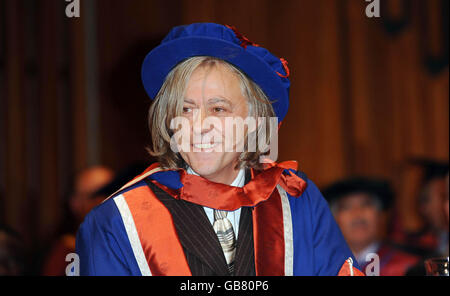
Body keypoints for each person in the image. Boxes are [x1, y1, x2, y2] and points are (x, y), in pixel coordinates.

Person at [76, 22, 363, 276]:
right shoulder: (117, 221)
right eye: (185, 109)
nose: (199, 126)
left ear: (254, 121)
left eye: (218, 108)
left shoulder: (298, 201)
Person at [322, 177, 420, 276]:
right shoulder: (322, 269)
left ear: (380, 216)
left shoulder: (409, 267)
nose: (357, 214)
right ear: (334, 219)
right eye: (346, 207)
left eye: (366, 204)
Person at [41, 165, 113, 276]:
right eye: (96, 195)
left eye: (113, 193)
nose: (105, 201)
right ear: (75, 203)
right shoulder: (66, 253)